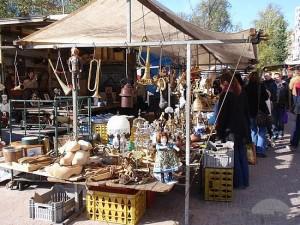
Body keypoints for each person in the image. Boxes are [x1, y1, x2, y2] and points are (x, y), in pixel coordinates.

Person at [216, 71, 249, 188]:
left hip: (232, 131)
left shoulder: (226, 95)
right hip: (240, 128)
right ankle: (245, 181)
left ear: (225, 82)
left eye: (220, 83)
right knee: (241, 155)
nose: (219, 86)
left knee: (235, 157)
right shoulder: (238, 92)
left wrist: (219, 133)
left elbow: (222, 116)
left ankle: (239, 182)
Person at [245, 71, 270, 158]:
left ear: (249, 77)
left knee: (253, 131)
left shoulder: (246, 87)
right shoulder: (261, 86)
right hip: (261, 111)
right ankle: (260, 151)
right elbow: (267, 97)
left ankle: (253, 150)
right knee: (262, 130)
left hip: (251, 112)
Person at [272, 73, 289, 139]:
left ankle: (280, 133)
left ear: (280, 77)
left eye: (277, 77)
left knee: (281, 120)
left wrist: (288, 106)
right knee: (274, 120)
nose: (276, 79)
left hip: (282, 105)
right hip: (274, 105)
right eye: (275, 77)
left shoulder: (285, 85)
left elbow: (288, 96)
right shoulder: (272, 85)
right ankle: (275, 133)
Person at [263, 72, 277, 139]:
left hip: (270, 102)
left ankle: (271, 133)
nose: (265, 77)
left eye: (267, 75)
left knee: (270, 118)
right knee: (267, 118)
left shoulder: (273, 83)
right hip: (264, 102)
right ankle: (269, 132)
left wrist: (272, 101)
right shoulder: (263, 83)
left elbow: (274, 93)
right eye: (265, 76)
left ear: (270, 76)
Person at [289, 70, 300, 150]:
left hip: (295, 96)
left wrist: (295, 110)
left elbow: (290, 87)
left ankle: (294, 143)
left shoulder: (294, 80)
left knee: (298, 127)